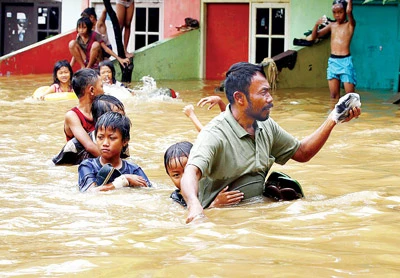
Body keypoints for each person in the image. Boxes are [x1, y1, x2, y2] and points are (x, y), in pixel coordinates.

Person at [180, 62, 361, 223]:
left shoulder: (266, 125)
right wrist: (194, 206)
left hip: (257, 218)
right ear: (240, 98)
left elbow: (303, 152)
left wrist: (334, 118)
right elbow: (191, 172)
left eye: (269, 91)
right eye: (263, 92)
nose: (270, 98)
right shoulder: (214, 134)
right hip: (224, 223)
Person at [78, 111, 151, 192]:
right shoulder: (88, 166)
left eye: (112, 138)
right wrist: (124, 180)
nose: (105, 143)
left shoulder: (134, 170)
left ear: (125, 141)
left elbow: (149, 192)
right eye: (100, 137)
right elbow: (90, 192)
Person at [53, 94, 127, 166]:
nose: (123, 119)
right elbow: (56, 166)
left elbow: (125, 161)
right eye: (117, 115)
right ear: (100, 120)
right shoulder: (75, 146)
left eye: (123, 115)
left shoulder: (121, 139)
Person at [164, 141, 244, 207]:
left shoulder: (211, 182)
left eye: (188, 171)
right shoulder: (177, 199)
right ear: (169, 176)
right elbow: (187, 217)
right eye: (176, 175)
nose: (184, 178)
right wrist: (216, 204)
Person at [310, 0, 356, 99]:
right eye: (335, 12)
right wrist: (316, 25)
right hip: (333, 62)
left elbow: (349, 12)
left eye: (340, 12)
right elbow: (315, 36)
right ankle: (333, 114)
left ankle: (351, 114)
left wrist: (349, 2)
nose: (337, 15)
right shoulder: (332, 25)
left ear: (345, 12)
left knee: (350, 96)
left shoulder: (350, 25)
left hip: (345, 62)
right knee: (334, 96)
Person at [64, 68, 104, 159]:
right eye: (101, 86)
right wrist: (116, 163)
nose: (104, 91)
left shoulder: (100, 110)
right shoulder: (72, 116)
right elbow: (89, 146)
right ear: (92, 90)